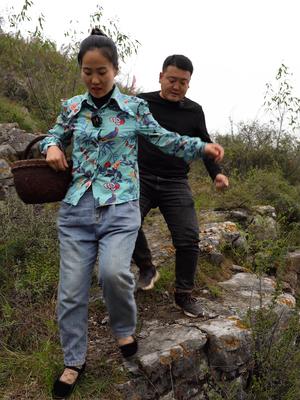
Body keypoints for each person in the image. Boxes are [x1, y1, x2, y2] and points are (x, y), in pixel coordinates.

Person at [40, 30, 224, 399]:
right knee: (71, 293)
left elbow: (166, 138)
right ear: (81, 70)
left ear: (115, 70)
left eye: (102, 72)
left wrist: (202, 147)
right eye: (87, 72)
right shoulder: (72, 107)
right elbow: (53, 135)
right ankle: (74, 361)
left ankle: (124, 328)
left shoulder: (135, 109)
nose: (94, 80)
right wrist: (52, 147)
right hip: (77, 209)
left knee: (113, 274)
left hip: (121, 207)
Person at [133, 54, 229, 318]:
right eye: (172, 80)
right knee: (125, 223)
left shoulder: (194, 111)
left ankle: (184, 295)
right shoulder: (141, 103)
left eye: (183, 82)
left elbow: (205, 144)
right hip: (140, 177)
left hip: (175, 181)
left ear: (189, 84)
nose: (176, 86)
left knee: (188, 238)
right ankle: (146, 266)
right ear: (161, 77)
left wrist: (217, 175)